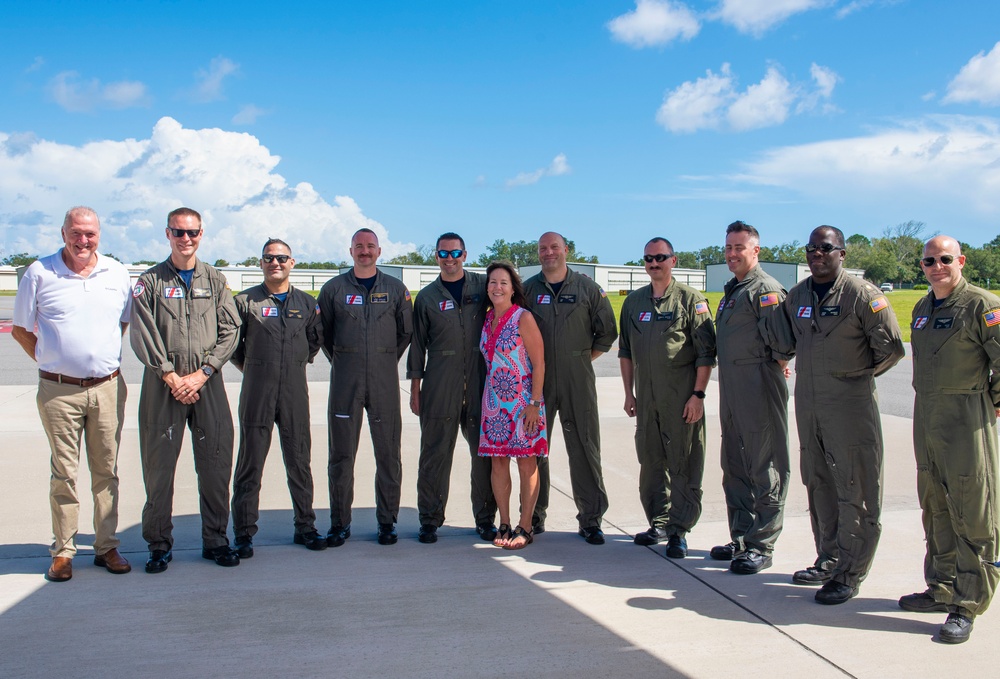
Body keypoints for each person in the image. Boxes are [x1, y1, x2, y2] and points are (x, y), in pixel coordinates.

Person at [771, 226, 904, 604]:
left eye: (825, 248)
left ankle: (851, 572)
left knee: (855, 487)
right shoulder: (797, 295)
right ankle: (829, 558)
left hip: (850, 407)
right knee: (819, 483)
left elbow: (891, 350)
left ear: (841, 253)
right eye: (811, 248)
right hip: (810, 406)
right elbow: (784, 341)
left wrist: (851, 378)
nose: (817, 254)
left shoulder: (862, 295)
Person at [12, 206, 133, 581]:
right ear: (63, 232)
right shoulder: (39, 272)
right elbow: (19, 328)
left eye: (90, 234)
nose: (83, 241)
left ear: (100, 235)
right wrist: (52, 359)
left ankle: (106, 546)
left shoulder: (116, 272)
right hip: (58, 391)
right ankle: (63, 551)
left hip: (108, 388)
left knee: (106, 472)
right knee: (63, 472)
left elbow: (123, 322)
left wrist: (96, 361)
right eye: (76, 233)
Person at [898, 235, 1000, 644]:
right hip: (927, 417)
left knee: (972, 508)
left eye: (944, 259)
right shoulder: (923, 307)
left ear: (960, 260)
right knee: (935, 504)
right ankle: (941, 587)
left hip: (965, 418)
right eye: (928, 261)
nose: (936, 266)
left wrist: (989, 403)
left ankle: (968, 602)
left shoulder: (982, 305)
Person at [130, 207, 242, 572]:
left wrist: (204, 371)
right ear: (167, 234)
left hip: (206, 385)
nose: (186, 239)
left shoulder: (215, 279)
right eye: (179, 232)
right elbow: (142, 332)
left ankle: (216, 540)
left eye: (192, 232)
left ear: (201, 234)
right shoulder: (149, 282)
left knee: (215, 465)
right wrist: (170, 376)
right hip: (164, 387)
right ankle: (159, 544)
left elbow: (231, 330)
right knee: (159, 468)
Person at [619, 238, 716, 558]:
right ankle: (658, 522)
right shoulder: (634, 303)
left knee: (684, 464)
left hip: (681, 400)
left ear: (673, 261)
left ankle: (679, 530)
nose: (653, 263)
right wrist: (628, 393)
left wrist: (698, 396)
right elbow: (626, 352)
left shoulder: (691, 300)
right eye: (648, 258)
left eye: (660, 257)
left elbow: (706, 354)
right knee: (651, 463)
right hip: (647, 402)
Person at [229, 239, 326, 556]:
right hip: (257, 387)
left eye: (281, 257)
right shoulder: (245, 301)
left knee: (300, 461)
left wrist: (291, 364)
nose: (276, 263)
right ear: (261, 263)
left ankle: (305, 527)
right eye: (269, 258)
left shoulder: (307, 303)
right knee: (250, 463)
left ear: (292, 262)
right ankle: (243, 532)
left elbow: (314, 343)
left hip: (294, 388)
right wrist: (258, 367)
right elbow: (234, 347)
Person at [318, 228, 413, 547]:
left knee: (389, 455)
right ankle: (339, 524)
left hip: (384, 382)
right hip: (346, 382)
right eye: (359, 246)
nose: (365, 251)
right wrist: (346, 360)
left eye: (370, 246)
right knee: (341, 456)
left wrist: (384, 360)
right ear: (351, 250)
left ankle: (387, 522)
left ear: (379, 250)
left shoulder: (396, 289)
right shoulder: (333, 289)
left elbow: (404, 334)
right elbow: (324, 334)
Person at [524, 232, 618, 544]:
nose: (548, 253)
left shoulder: (588, 288)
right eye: (542, 249)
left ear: (566, 250)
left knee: (585, 446)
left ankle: (590, 519)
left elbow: (606, 333)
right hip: (538, 381)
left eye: (554, 247)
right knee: (535, 447)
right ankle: (534, 516)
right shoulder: (526, 290)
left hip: (577, 378)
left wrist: (577, 359)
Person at [712, 220, 792, 574]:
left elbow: (783, 345)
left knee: (766, 466)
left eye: (739, 248)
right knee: (735, 466)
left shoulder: (766, 290)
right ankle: (741, 537)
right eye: (728, 248)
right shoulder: (734, 289)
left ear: (755, 251)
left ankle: (762, 545)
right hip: (732, 389)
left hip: (758, 386)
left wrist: (774, 368)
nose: (732, 254)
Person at [407, 233, 497, 544]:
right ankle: (430, 520)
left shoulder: (482, 286)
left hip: (480, 382)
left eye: (455, 252)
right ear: (436, 256)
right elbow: (418, 346)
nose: (450, 258)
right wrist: (415, 389)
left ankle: (486, 519)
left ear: (465, 254)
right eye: (444, 253)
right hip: (439, 383)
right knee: (434, 454)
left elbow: (510, 300)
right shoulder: (428, 297)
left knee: (483, 456)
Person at [479, 261, 547, 550]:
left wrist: (534, 403)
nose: (497, 287)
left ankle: (526, 525)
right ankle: (504, 522)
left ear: (512, 287)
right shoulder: (486, 320)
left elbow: (540, 362)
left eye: (503, 282)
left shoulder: (523, 317)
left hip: (523, 403)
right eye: (492, 282)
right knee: (498, 462)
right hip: (494, 404)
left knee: (526, 462)